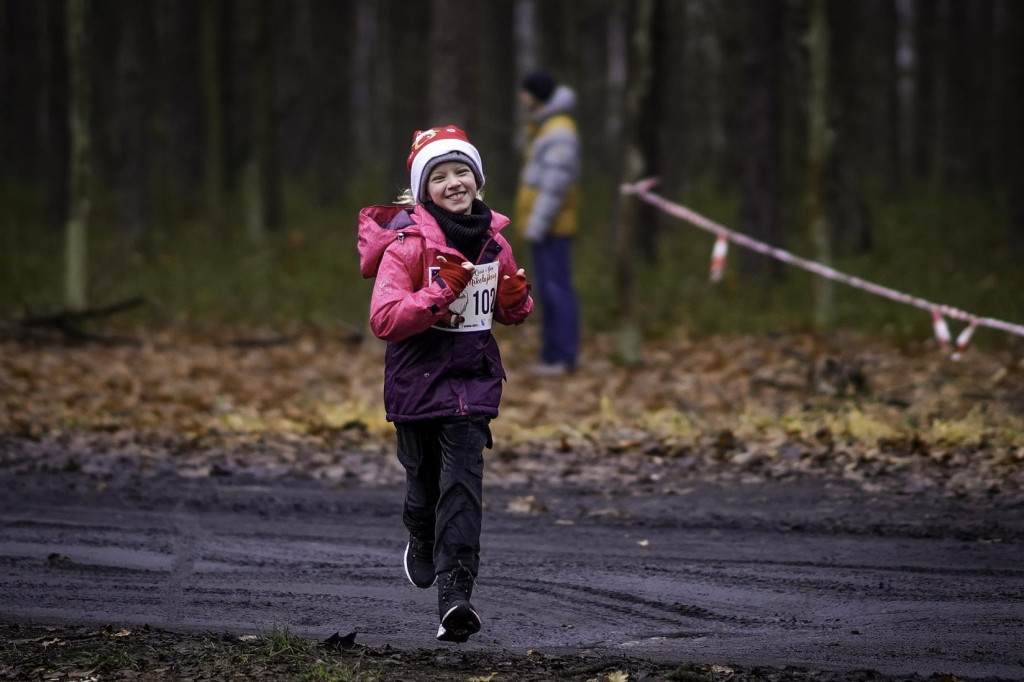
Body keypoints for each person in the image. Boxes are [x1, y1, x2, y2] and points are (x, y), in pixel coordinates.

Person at [357, 125, 533, 643]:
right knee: (424, 485)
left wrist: (517, 297)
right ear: (422, 189)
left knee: (462, 489)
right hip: (416, 386)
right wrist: (439, 292)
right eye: (440, 176)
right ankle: (419, 531)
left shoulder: (494, 242)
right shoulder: (407, 245)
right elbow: (385, 318)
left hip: (472, 387)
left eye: (462, 172)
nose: (454, 183)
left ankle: (456, 598)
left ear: (477, 180)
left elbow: (509, 311)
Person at [515, 69, 582, 375]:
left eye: (525, 91)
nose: (521, 97)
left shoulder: (559, 130)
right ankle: (551, 354)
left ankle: (563, 357)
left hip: (553, 229)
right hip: (546, 228)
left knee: (557, 290)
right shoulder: (545, 127)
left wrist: (537, 225)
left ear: (535, 95)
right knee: (547, 291)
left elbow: (555, 185)